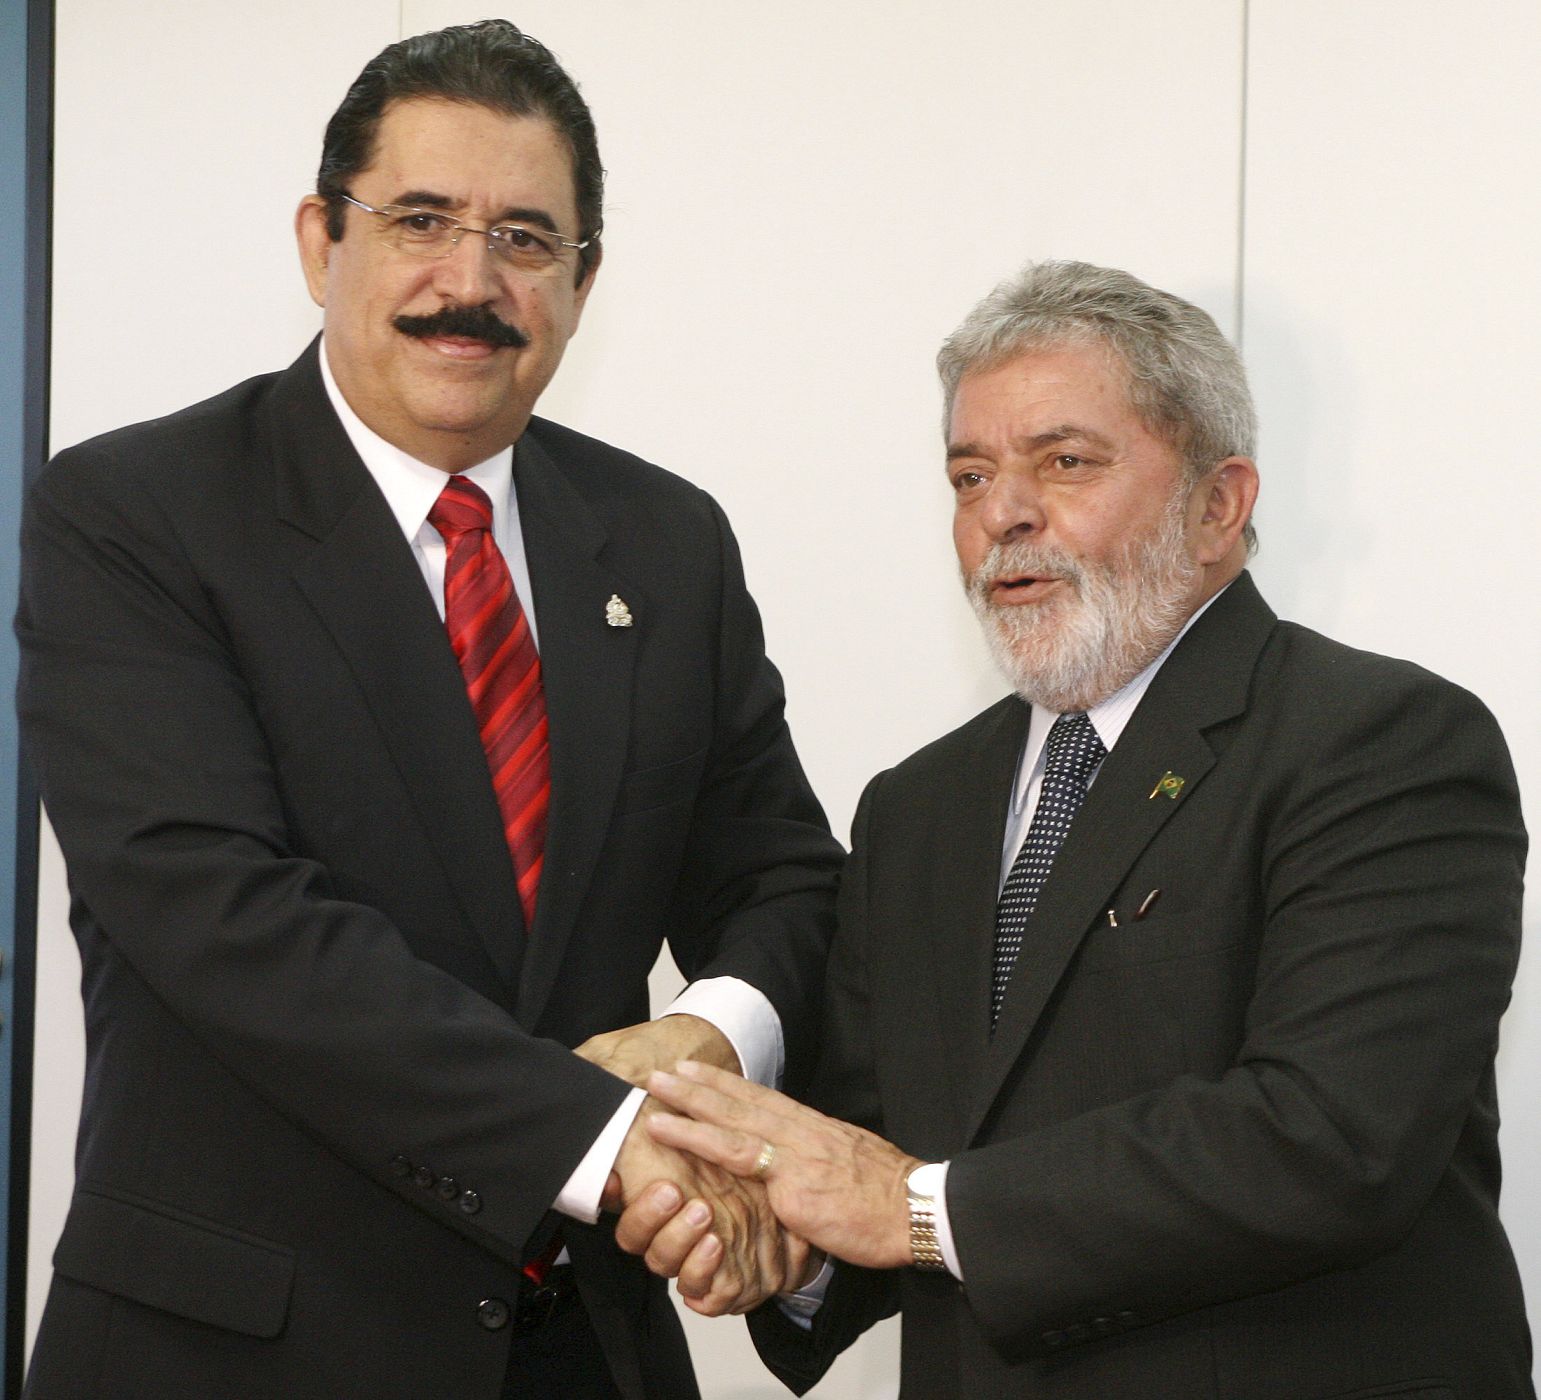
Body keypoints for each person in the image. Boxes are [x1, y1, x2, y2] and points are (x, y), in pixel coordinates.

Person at [17, 21, 840, 1400]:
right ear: (317, 240)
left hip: (584, 1359)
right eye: (419, 221)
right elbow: (230, 920)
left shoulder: (665, 543)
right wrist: (606, 1137)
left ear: (584, 283)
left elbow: (783, 879)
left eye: (526, 239)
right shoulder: (137, 517)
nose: (471, 283)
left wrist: (714, 1037)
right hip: (236, 1358)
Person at [628, 261, 1533, 1396]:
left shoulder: (1382, 742)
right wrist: (781, 1243)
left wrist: (908, 1207)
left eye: (1063, 461)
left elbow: (1329, 1138)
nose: (1001, 512)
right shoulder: (915, 809)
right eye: (968, 475)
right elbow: (871, 1152)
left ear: (1218, 502)